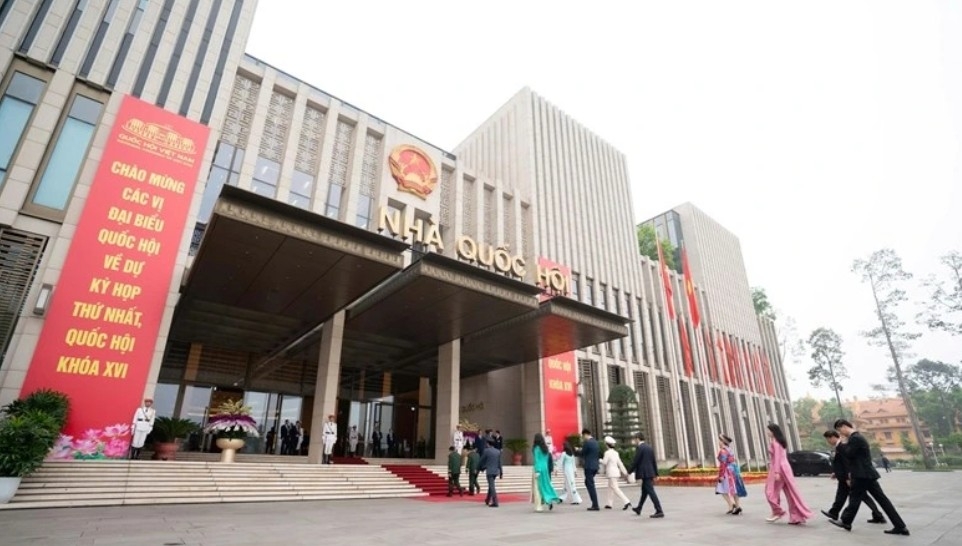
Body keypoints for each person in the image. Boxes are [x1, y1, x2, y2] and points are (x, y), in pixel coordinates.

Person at [830, 419, 910, 536]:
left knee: (855, 497)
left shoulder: (855, 438)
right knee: (881, 500)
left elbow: (849, 454)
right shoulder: (856, 438)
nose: (840, 433)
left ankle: (846, 521)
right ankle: (900, 526)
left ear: (844, 426)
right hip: (866, 474)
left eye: (839, 430)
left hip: (862, 475)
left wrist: (839, 445)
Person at [820, 430, 886, 524]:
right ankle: (834, 512)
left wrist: (848, 477)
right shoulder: (839, 446)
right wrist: (836, 473)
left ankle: (878, 515)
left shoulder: (842, 445)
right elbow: (840, 462)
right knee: (842, 495)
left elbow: (847, 462)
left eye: (828, 439)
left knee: (862, 496)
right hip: (843, 476)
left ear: (832, 437)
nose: (828, 442)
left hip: (849, 477)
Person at [765, 423, 813, 525]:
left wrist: (777, 472)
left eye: (769, 430)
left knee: (770, 491)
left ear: (773, 431)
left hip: (779, 468)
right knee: (790, 492)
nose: (767, 432)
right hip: (785, 468)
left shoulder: (776, 443)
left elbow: (777, 458)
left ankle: (777, 512)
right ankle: (796, 517)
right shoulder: (780, 442)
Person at [628, 432, 664, 518]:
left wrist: (629, 471)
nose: (634, 441)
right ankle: (639, 508)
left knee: (651, 492)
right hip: (650, 472)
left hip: (645, 473)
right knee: (644, 492)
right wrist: (656, 473)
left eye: (635, 439)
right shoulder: (649, 447)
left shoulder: (640, 448)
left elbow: (636, 461)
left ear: (638, 438)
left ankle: (659, 510)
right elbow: (653, 461)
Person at [715, 433, 745, 515]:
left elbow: (723, 464)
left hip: (727, 472)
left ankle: (732, 505)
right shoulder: (729, 449)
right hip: (734, 470)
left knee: (721, 488)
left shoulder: (723, 451)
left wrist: (721, 476)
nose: (718, 442)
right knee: (734, 489)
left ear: (723, 441)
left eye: (720, 441)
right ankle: (736, 506)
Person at [601, 436, 632, 511]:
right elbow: (620, 463)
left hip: (611, 473)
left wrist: (599, 460)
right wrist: (625, 472)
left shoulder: (607, 453)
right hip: (616, 472)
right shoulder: (616, 453)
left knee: (615, 488)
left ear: (607, 444)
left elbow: (604, 462)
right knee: (610, 488)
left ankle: (626, 501)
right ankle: (609, 504)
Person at [531, 433, 561, 511]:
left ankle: (540, 504)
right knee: (547, 484)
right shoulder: (545, 448)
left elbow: (537, 460)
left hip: (538, 468)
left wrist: (537, 471)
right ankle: (552, 497)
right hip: (545, 468)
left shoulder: (536, 448)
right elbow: (546, 459)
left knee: (539, 487)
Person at [579, 428, 601, 511]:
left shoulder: (587, 443)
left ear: (585, 434)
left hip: (589, 466)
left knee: (590, 485)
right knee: (588, 483)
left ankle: (595, 504)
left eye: (583, 436)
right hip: (595, 466)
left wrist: (578, 450)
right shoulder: (595, 442)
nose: (583, 438)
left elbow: (582, 453)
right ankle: (594, 503)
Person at [480, 442, 502, 507]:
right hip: (495, 471)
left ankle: (495, 502)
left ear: (488, 444)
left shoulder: (486, 451)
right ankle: (487, 500)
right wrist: (501, 472)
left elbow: (482, 460)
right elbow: (499, 462)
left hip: (489, 471)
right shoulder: (498, 451)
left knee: (492, 487)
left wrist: (478, 468)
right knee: (491, 485)